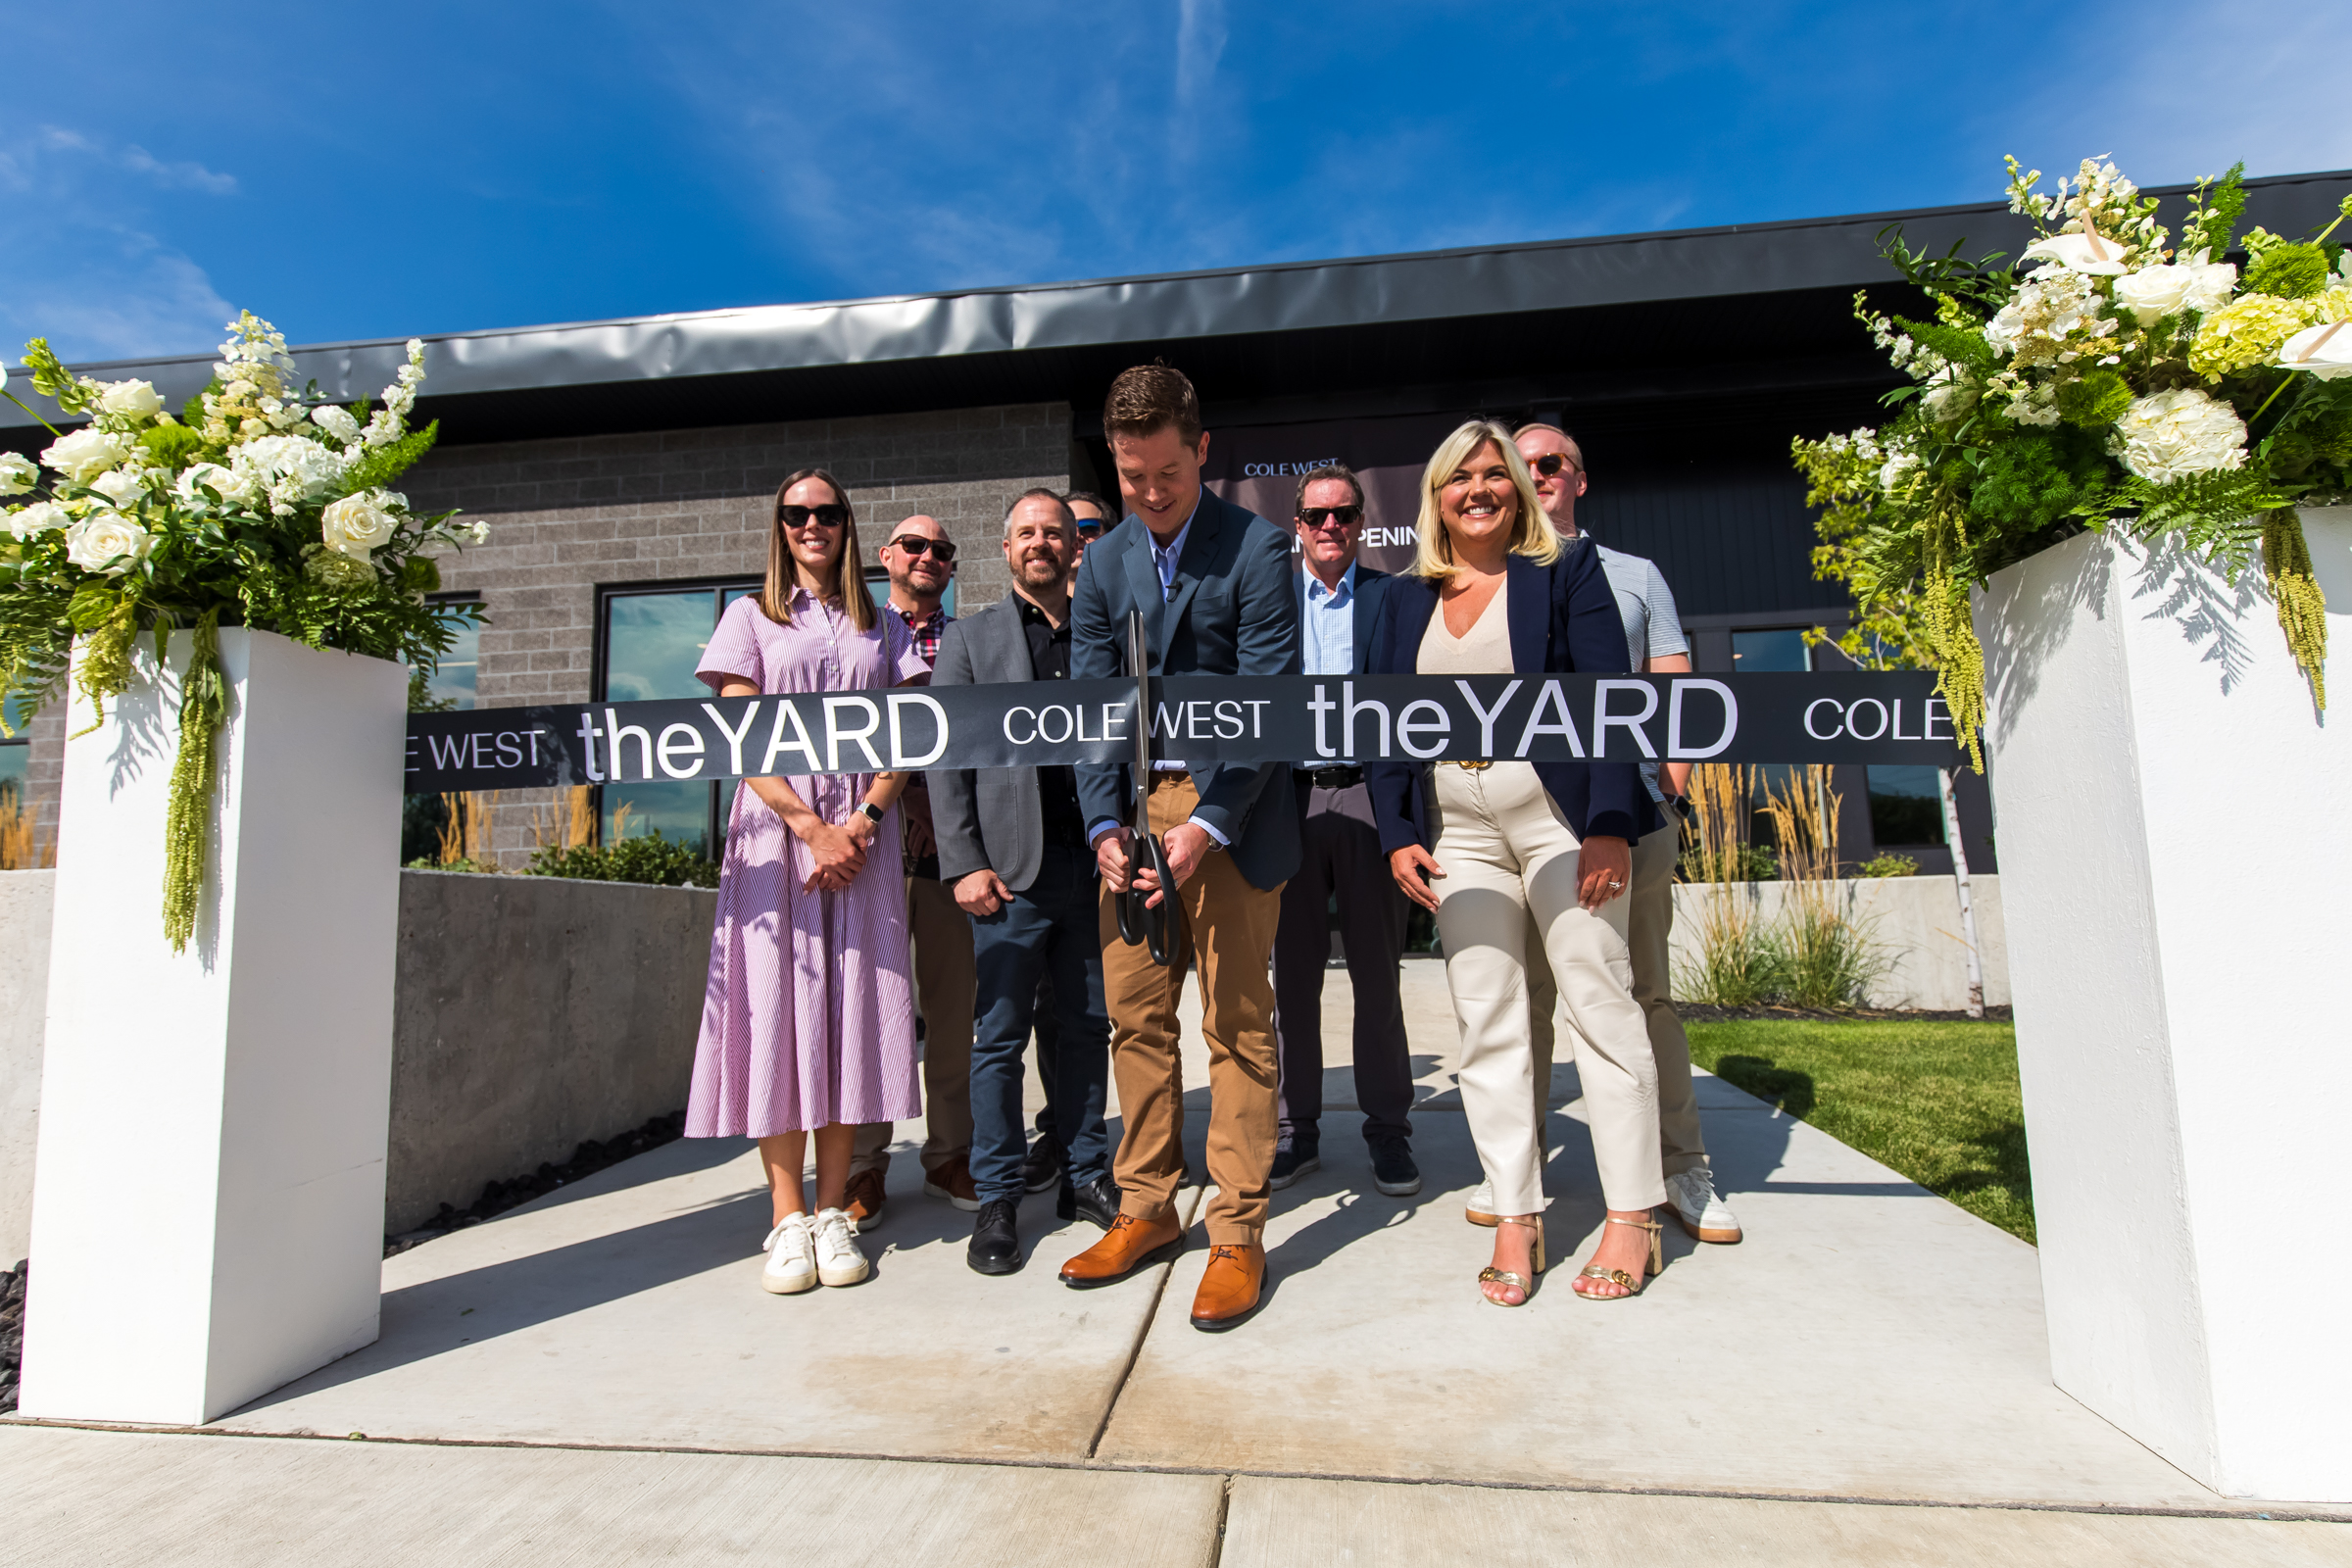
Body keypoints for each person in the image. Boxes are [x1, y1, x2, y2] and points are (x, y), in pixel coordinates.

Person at [1364, 419, 1667, 1305]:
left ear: (1521, 490)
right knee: (1486, 1016)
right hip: (1457, 829)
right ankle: (1515, 1212)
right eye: (1461, 478)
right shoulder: (1402, 598)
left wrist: (1609, 823)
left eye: (1495, 474)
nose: (1480, 490)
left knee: (1598, 1003)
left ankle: (1632, 1215)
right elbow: (1382, 719)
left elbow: (1612, 699)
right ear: (1437, 496)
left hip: (1559, 818)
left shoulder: (1564, 571)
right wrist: (1395, 829)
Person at [1059, 363, 1299, 1332]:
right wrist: (1103, 827)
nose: (1151, 493)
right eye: (1132, 476)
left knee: (1236, 1025)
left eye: (1167, 472)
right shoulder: (1102, 563)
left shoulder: (1259, 548)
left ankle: (1237, 1231)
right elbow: (1086, 712)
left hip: (1229, 812)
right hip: (1131, 813)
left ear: (1202, 450)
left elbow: (1271, 701)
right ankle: (1147, 1207)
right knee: (1136, 1022)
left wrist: (1204, 826)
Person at [689, 467, 931, 1296]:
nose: (812, 524)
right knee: (779, 1016)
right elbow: (739, 732)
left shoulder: (881, 624)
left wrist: (861, 819)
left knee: (849, 1015)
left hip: (864, 842)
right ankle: (786, 1215)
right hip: (776, 838)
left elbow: (911, 731)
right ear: (780, 526)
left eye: (826, 512)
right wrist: (809, 826)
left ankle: (834, 1209)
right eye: (796, 514)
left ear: (847, 524)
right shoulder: (749, 616)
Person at [1512, 422, 1740, 1247]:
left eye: (1550, 463)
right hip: (1527, 818)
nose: (1535, 475)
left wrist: (1669, 787)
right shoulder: (1489, 576)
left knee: (1645, 994)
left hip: (1631, 815)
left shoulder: (1635, 576)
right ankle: (1520, 1172)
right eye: (1521, 465)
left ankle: (1681, 1165)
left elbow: (1673, 683)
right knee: (1528, 1000)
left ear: (1579, 478)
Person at [933, 489, 1119, 1274]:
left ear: (1075, 547)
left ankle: (1084, 1172)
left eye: (1055, 532)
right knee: (1000, 1039)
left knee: (1086, 1027)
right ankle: (1000, 1195)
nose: (1042, 543)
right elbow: (945, 757)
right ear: (1007, 549)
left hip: (1095, 867)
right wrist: (963, 862)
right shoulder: (969, 639)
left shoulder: (1106, 633)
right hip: (1008, 875)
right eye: (1027, 533)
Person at [1269, 464, 1418, 1198]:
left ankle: (1388, 1131)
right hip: (1289, 801)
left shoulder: (1395, 598)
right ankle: (1296, 1132)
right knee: (1291, 982)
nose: (1330, 525)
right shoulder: (1268, 602)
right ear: (1296, 525)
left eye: (1344, 513)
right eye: (1316, 515)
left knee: (1377, 976)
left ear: (1362, 522)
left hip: (1367, 794)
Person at [842, 514, 979, 1226]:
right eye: (915, 545)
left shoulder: (970, 641)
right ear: (886, 556)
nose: (929, 556)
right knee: (871, 1015)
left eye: (942, 550)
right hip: (872, 854)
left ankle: (950, 1154)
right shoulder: (857, 634)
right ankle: (863, 1166)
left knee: (953, 1016)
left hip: (948, 858)